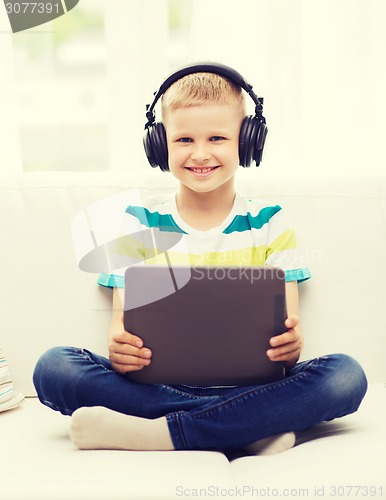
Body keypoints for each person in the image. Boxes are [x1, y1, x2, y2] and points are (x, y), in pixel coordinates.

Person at [33, 63, 367, 454]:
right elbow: (120, 331)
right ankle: (246, 427)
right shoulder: (137, 223)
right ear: (160, 144)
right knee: (54, 367)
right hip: (156, 385)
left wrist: (290, 346)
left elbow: (285, 334)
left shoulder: (271, 222)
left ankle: (162, 433)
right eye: (184, 140)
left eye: (217, 138)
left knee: (346, 376)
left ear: (246, 140)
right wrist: (121, 350)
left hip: (252, 385)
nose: (201, 153)